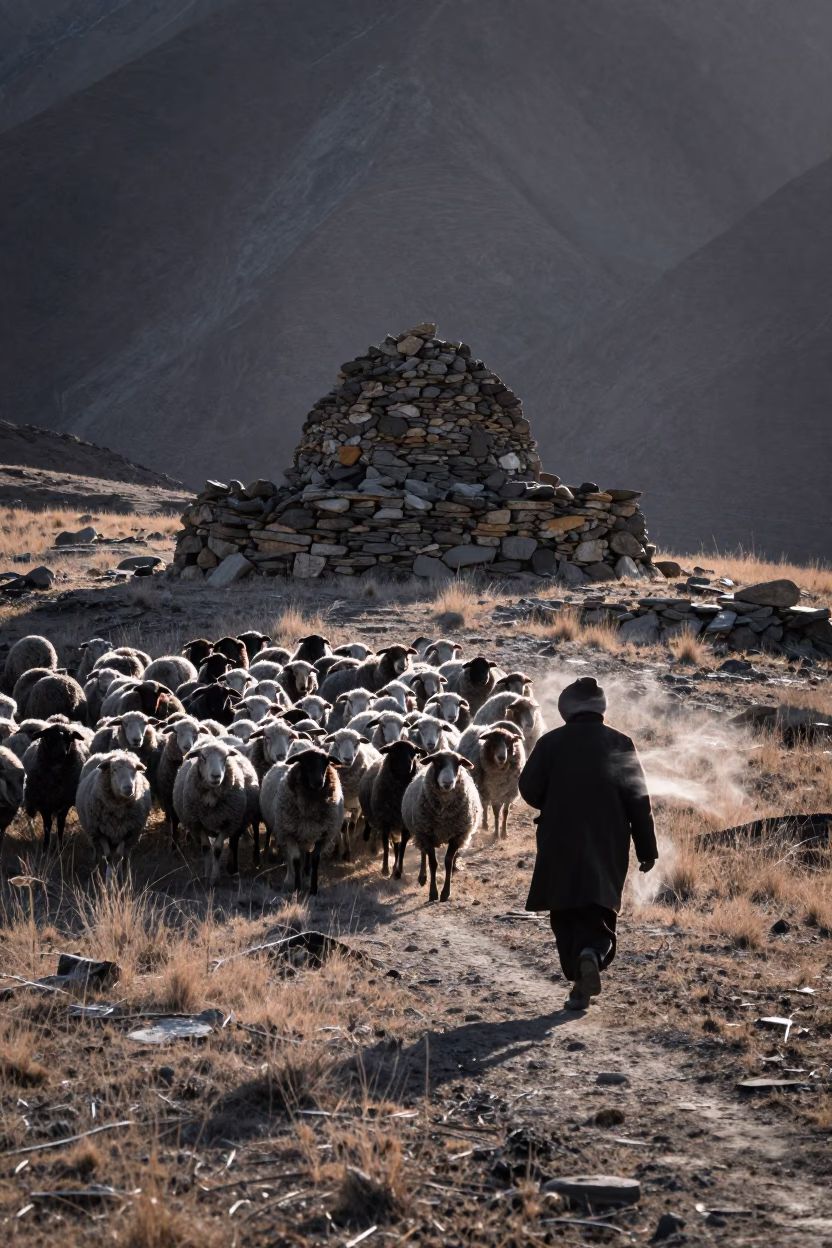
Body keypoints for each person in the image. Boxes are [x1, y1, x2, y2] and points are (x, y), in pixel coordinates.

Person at [518, 676, 657, 1010]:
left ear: (568, 710)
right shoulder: (620, 742)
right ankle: (591, 956)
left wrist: (555, 801)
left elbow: (528, 788)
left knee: (565, 911)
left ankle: (580, 978)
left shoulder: (551, 743)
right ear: (600, 709)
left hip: (559, 840)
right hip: (607, 842)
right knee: (599, 911)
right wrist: (647, 848)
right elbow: (639, 799)